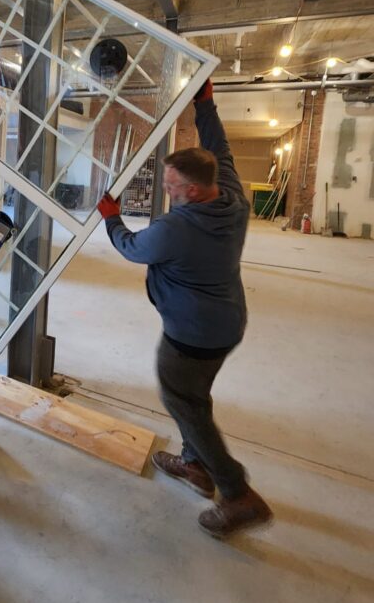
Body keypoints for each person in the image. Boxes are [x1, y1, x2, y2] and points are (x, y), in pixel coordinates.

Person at [97, 79, 272, 539]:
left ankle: (237, 493)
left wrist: (111, 218)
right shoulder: (230, 196)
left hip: (191, 334)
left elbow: (132, 247)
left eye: (172, 185)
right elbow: (220, 149)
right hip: (226, 323)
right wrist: (205, 106)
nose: (166, 189)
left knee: (182, 401)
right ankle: (195, 465)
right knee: (196, 396)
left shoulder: (177, 229)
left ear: (193, 191)